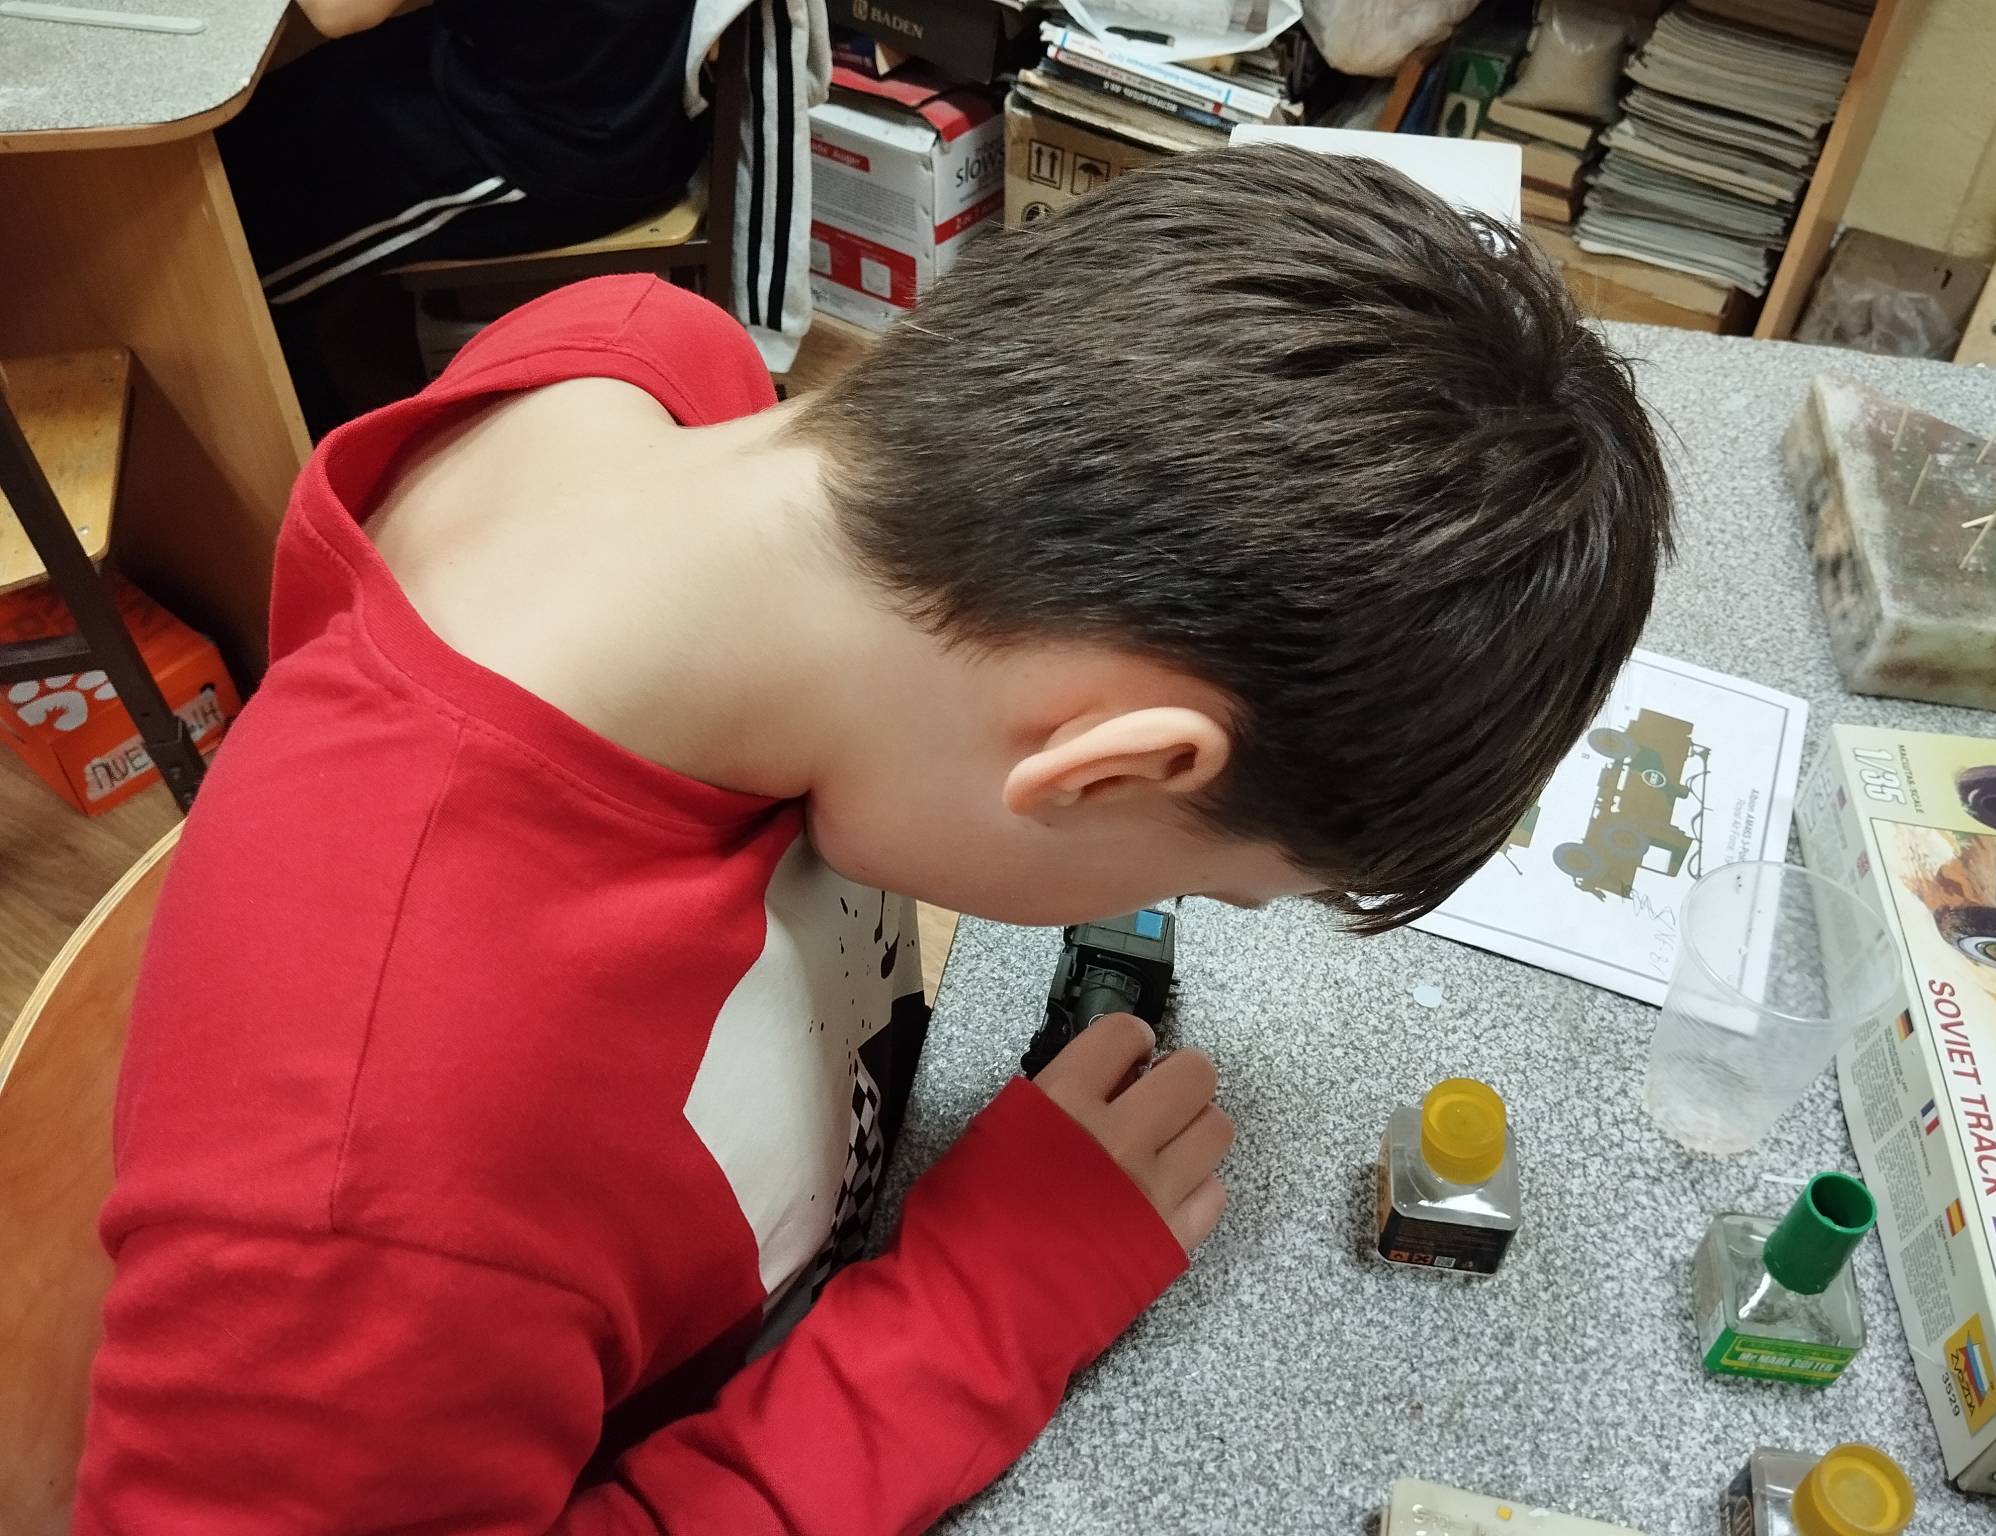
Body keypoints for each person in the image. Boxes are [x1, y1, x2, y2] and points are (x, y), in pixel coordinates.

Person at [73, 147, 1672, 1532]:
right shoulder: (376, 1198)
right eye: (1197, 876)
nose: (1164, 901)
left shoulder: (646, 367)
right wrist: (971, 1317)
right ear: (1107, 765)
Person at [218, 0, 713, 431]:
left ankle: (314, 466)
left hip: (557, 143)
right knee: (254, 132)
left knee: (233, 261)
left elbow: (339, 11)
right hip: (575, 75)